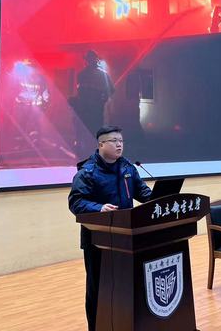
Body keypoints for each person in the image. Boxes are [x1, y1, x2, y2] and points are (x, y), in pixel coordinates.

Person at [68, 125, 152, 331]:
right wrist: (98, 208)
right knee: (98, 288)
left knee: (126, 285)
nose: (119, 144)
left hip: (126, 238)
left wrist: (161, 198)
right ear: (101, 144)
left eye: (121, 141)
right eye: (114, 141)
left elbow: (143, 193)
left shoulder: (128, 168)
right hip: (98, 240)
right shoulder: (88, 172)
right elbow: (76, 202)